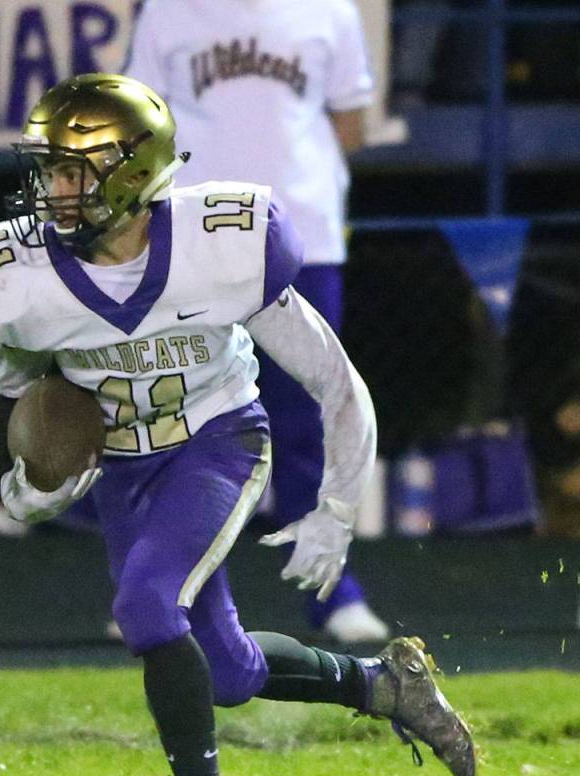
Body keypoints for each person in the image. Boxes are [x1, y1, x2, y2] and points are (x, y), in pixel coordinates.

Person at [0, 73, 475, 776]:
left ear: (130, 173)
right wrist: (29, 485)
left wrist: (336, 507)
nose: (52, 191)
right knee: (226, 670)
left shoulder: (221, 243)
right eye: (49, 171)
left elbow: (335, 381)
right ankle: (384, 685)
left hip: (216, 441)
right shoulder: (24, 278)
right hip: (124, 470)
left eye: (70, 172)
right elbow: (21, 408)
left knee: (146, 603)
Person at [124, 0, 389, 642]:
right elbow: (137, 127)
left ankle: (332, 591)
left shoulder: (329, 10)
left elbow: (351, 124)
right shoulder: (168, 11)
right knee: (179, 420)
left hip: (303, 239)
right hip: (193, 243)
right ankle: (164, 590)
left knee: (312, 416)